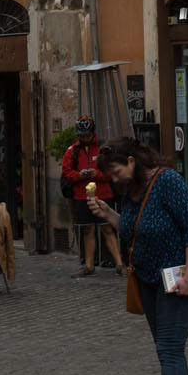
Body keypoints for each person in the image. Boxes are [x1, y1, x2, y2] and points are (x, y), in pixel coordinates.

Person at [88, 138, 188, 375]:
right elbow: (132, 229)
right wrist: (108, 213)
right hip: (148, 279)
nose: (115, 179)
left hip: (176, 280)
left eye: (116, 171)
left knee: (170, 352)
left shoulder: (169, 182)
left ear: (132, 160)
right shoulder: (131, 189)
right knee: (169, 353)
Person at [62, 117, 120, 275]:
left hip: (103, 194)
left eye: (87, 135)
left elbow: (112, 172)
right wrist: (79, 175)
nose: (84, 138)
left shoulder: (103, 148)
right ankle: (89, 266)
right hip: (82, 196)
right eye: (81, 135)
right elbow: (66, 173)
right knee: (88, 229)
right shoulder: (72, 150)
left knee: (107, 228)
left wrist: (97, 174)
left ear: (93, 132)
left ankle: (119, 264)